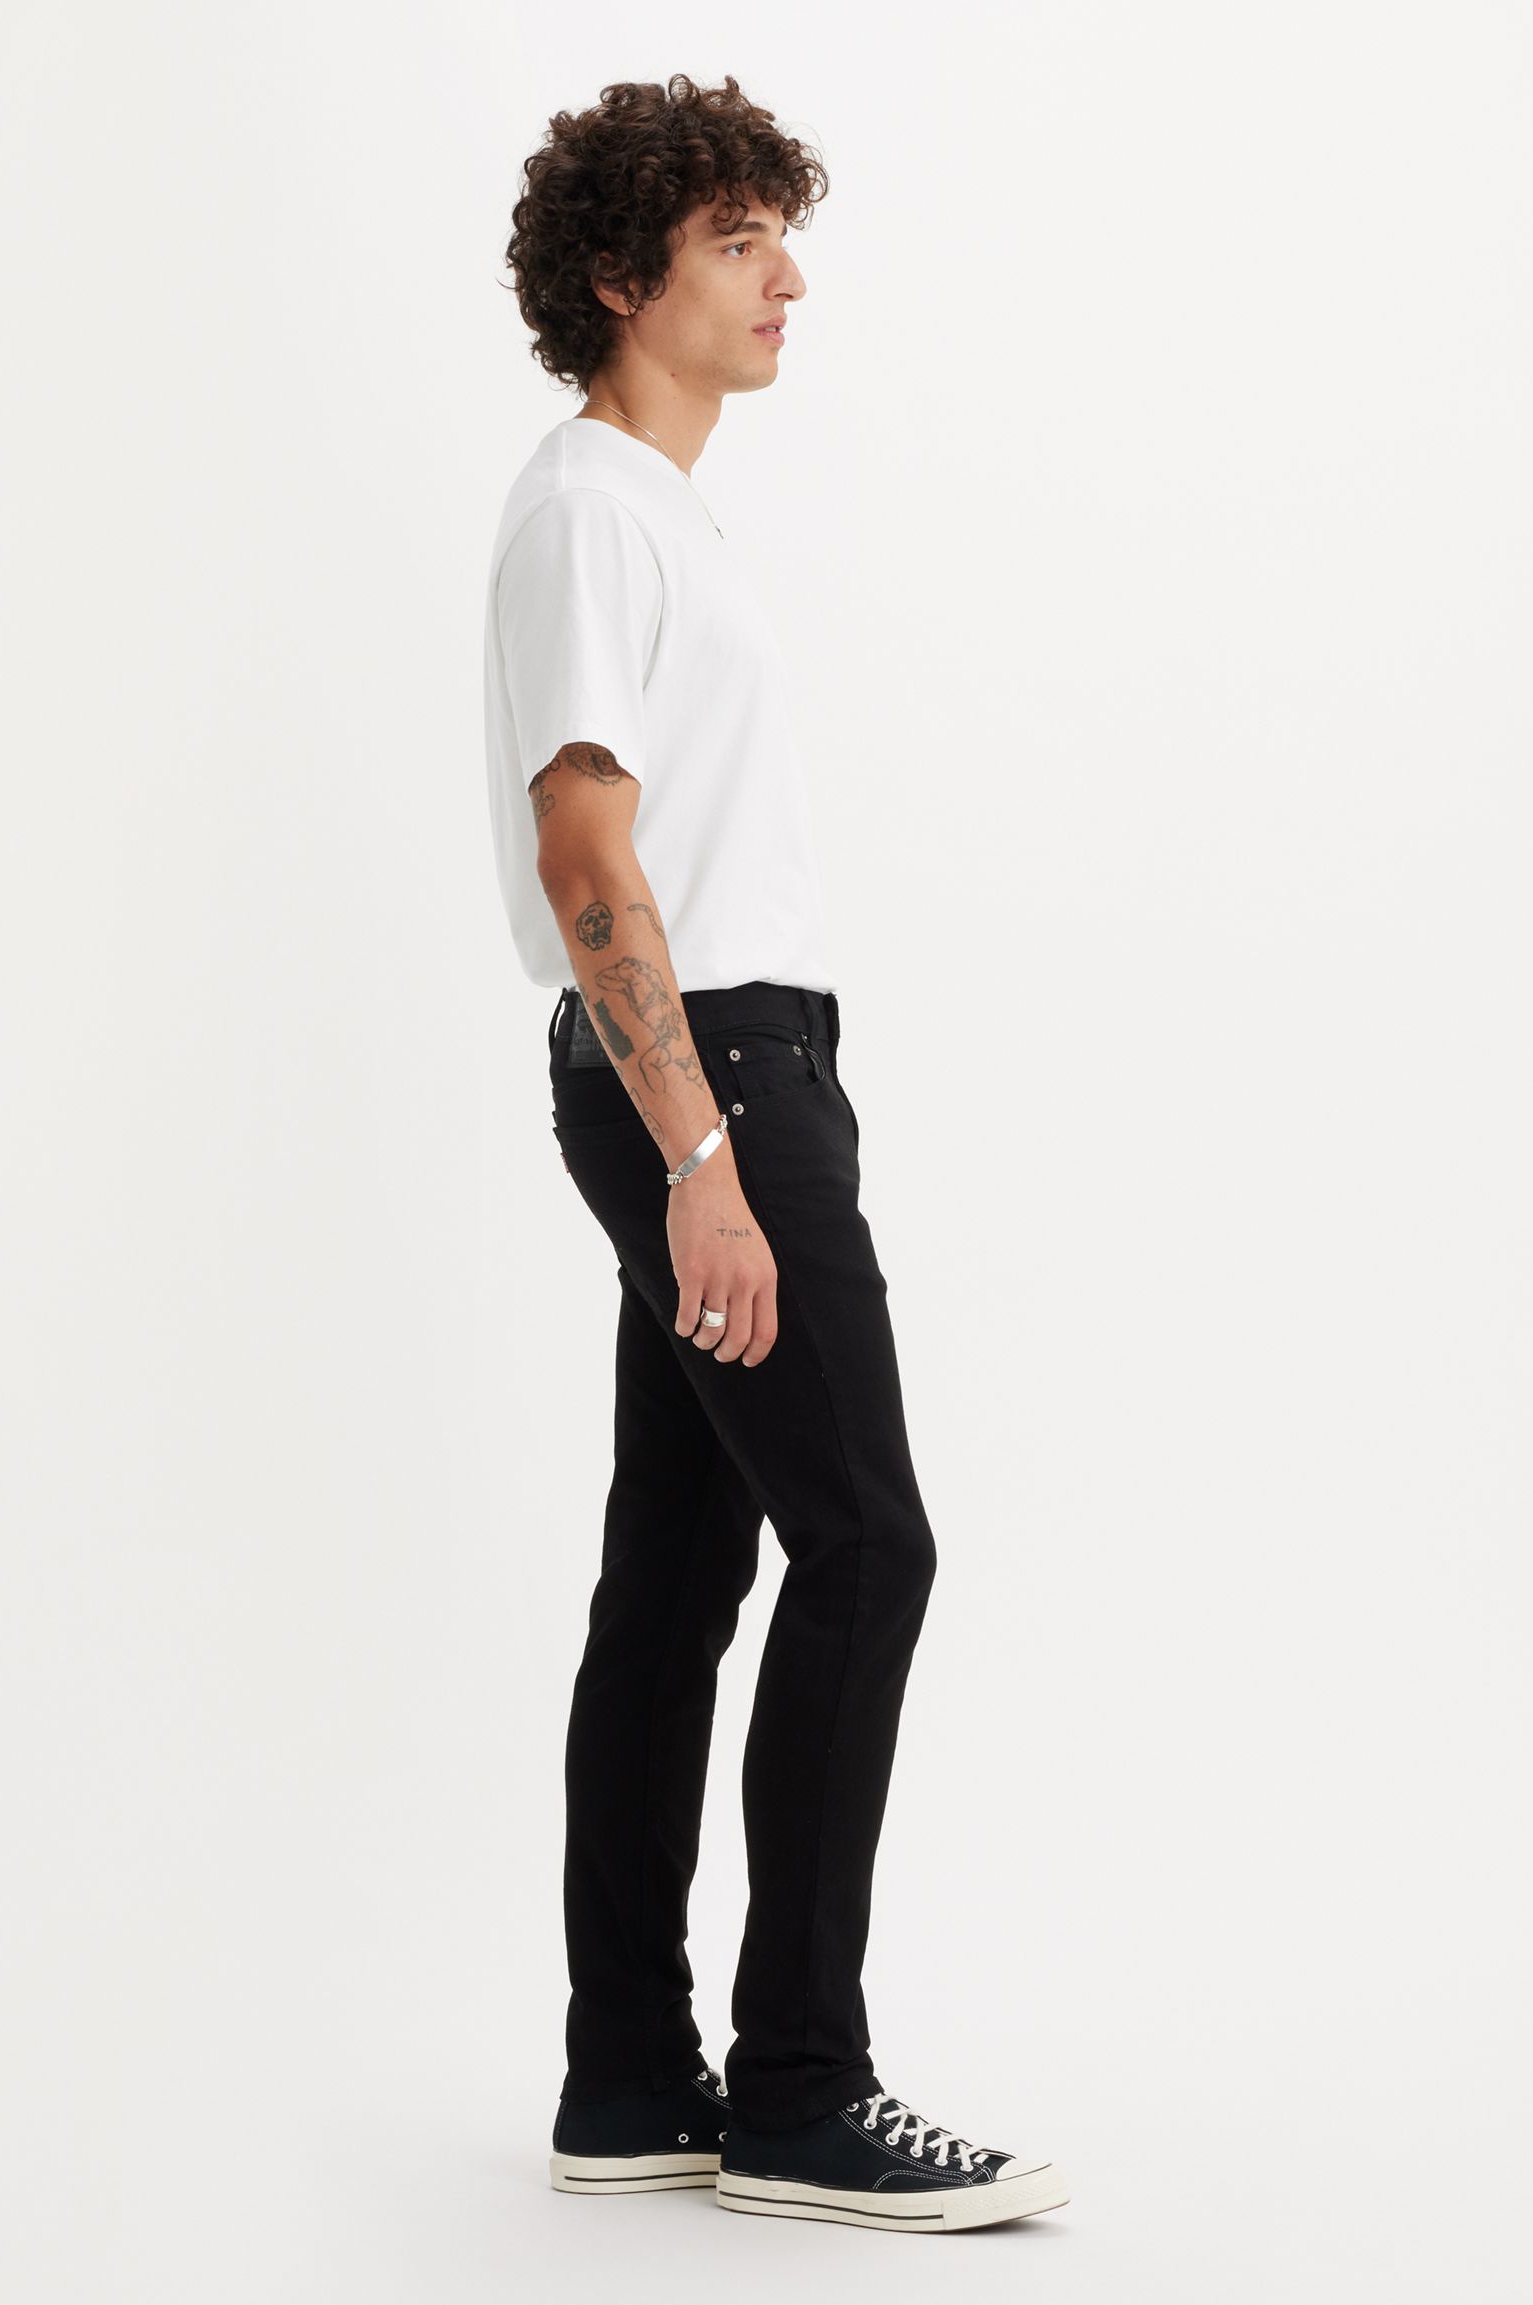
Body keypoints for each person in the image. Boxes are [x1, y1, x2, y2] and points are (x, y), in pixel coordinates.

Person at [478, 76, 1069, 2236]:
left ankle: (633, 2076)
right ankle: (803, 2086)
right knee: (867, 1543)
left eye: (777, 237)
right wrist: (705, 1157)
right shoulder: (591, 512)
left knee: (681, 1564)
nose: (786, 277)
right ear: (623, 279)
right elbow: (587, 855)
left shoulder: (649, 515)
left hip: (723, 1063)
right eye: (737, 242)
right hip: (703, 1071)